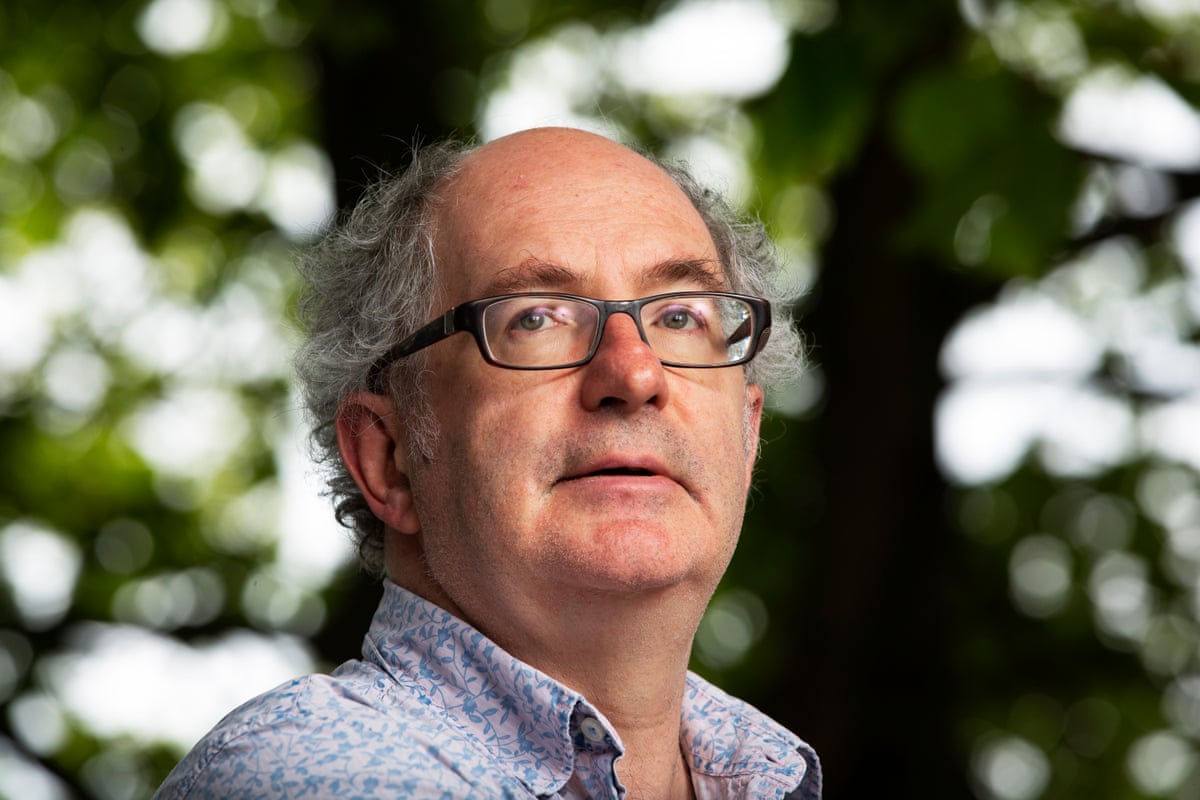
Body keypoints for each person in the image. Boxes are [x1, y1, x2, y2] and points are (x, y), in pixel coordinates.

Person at [154, 126, 821, 799]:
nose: (634, 370)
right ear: (388, 457)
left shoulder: (769, 776)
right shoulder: (312, 774)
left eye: (681, 316)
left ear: (746, 435)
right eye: (535, 318)